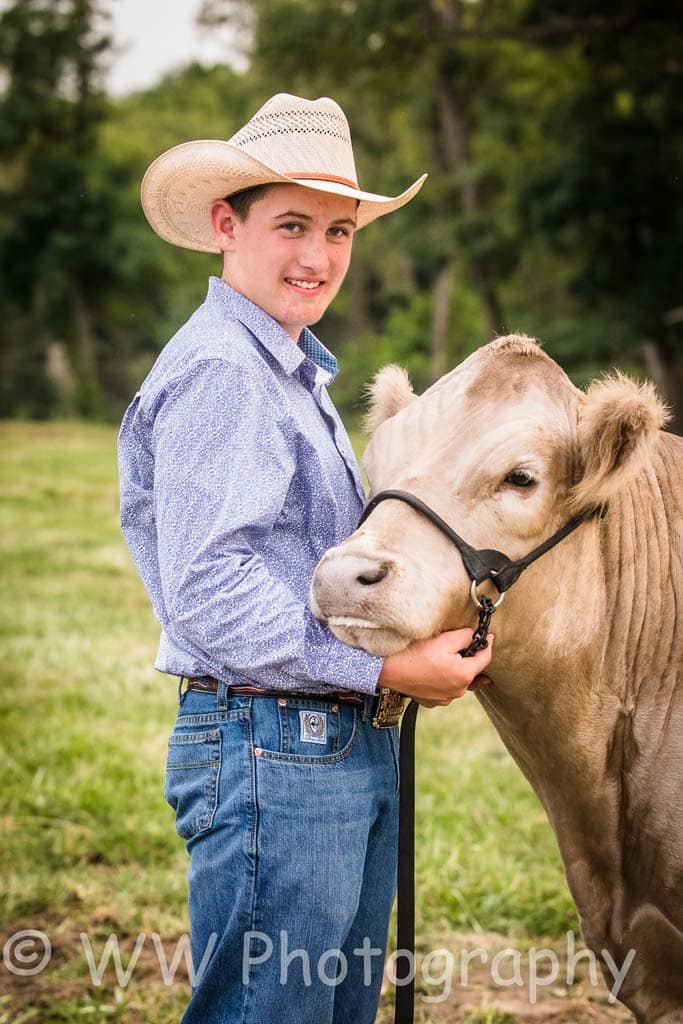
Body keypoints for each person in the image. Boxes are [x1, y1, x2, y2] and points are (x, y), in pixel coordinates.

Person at [118, 93, 493, 1024]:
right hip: (274, 745)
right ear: (224, 224)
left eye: (337, 230)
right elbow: (209, 589)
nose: (318, 256)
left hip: (322, 737)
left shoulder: (288, 369)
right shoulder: (224, 369)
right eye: (291, 225)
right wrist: (380, 666)